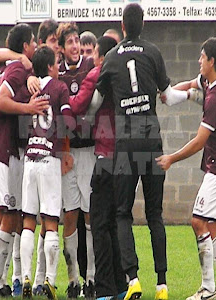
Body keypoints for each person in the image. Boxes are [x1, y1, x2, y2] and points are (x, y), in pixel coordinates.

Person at [95, 3, 192, 300]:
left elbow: (93, 103)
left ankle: (133, 279)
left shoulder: (110, 58)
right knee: (154, 214)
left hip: (126, 144)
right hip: (151, 140)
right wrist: (191, 95)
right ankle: (162, 285)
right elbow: (168, 97)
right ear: (143, 24)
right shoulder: (153, 52)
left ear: (123, 26)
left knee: (123, 212)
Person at [156, 37, 216, 300]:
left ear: (212, 61)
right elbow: (192, 85)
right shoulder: (211, 80)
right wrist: (170, 95)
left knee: (197, 221)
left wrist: (171, 158)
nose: (199, 61)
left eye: (202, 57)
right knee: (212, 228)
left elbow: (198, 142)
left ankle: (207, 288)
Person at [0, 23, 47, 300]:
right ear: (26, 45)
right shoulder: (17, 68)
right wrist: (27, 106)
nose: (36, 47)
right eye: (33, 43)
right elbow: (1, 101)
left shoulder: (4, 69)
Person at [69, 36, 128, 300]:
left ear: (100, 56)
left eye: (92, 52)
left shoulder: (98, 73)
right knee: (116, 223)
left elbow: (79, 105)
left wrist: (59, 100)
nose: (90, 57)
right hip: (127, 156)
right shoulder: (126, 73)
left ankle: (104, 288)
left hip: (105, 154)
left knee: (100, 224)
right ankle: (122, 283)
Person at [19, 45, 76, 300]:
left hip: (29, 159)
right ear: (51, 66)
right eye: (57, 62)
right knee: (51, 221)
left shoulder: (29, 88)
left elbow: (23, 124)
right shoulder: (59, 87)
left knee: (29, 222)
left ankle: (26, 276)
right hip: (49, 159)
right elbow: (66, 122)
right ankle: (51, 281)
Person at [56, 22, 96, 300]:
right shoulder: (55, 73)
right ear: (61, 47)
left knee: (90, 214)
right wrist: (63, 149)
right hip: (67, 154)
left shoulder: (91, 67)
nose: (73, 46)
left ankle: (92, 278)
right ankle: (73, 280)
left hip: (90, 150)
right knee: (69, 215)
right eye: (68, 42)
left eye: (75, 41)